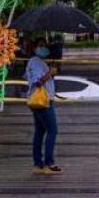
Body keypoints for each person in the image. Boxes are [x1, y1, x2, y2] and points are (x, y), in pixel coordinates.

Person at [25, 43, 61, 174]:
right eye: (40, 44)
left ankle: (38, 165)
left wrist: (50, 71)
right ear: (35, 48)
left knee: (39, 132)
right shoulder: (35, 61)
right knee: (52, 130)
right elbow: (38, 82)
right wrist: (49, 73)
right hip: (43, 101)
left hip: (41, 101)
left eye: (45, 45)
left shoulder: (39, 61)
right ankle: (48, 163)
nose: (44, 48)